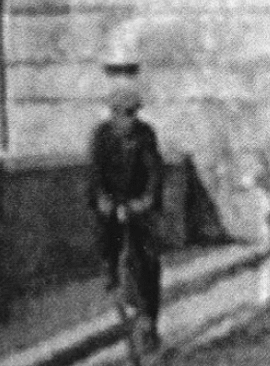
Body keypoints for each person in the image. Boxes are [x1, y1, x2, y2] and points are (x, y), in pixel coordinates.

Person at [86, 87, 164, 351]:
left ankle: (149, 322)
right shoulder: (101, 135)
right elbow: (95, 174)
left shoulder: (145, 134)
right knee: (107, 246)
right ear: (113, 114)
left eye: (132, 113)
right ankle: (112, 283)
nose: (128, 119)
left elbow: (154, 174)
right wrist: (103, 199)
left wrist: (143, 202)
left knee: (148, 261)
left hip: (137, 204)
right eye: (122, 114)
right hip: (110, 203)